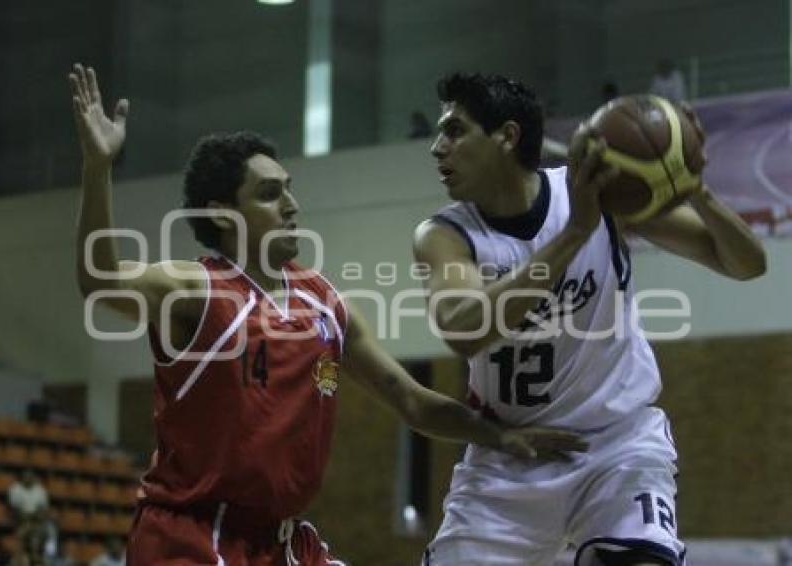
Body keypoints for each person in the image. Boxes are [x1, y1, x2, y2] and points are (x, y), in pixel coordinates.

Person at [68, 64, 585, 565]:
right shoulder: (196, 288)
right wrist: (98, 168)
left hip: (284, 540)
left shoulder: (324, 302)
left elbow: (410, 399)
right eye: (270, 194)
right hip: (194, 534)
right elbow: (100, 279)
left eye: (289, 187)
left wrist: (500, 436)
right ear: (223, 212)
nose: (292, 204)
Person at [413, 72, 766, 565]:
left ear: (507, 137)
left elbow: (746, 264)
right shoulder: (445, 235)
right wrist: (575, 234)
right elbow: (464, 330)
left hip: (617, 447)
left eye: (454, 130)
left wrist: (696, 191)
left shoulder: (599, 196)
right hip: (511, 460)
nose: (437, 147)